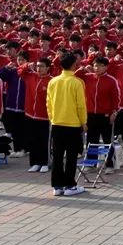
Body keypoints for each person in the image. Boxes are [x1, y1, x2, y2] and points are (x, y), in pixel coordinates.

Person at [46, 53, 88, 197]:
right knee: (71, 156)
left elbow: (48, 104)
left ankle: (57, 186)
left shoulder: (53, 81)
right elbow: (81, 106)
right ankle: (70, 185)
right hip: (73, 124)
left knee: (57, 156)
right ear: (73, 65)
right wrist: (84, 122)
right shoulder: (77, 82)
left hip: (57, 123)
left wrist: (52, 118)